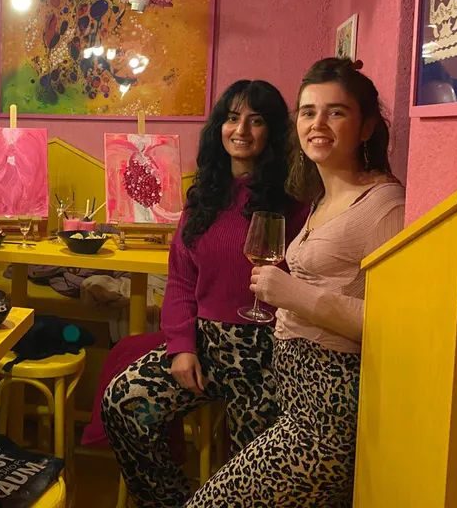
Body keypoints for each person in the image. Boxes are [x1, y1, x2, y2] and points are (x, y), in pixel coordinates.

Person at [187, 58, 406, 507]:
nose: (317, 124)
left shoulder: (385, 205)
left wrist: (291, 294)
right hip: (297, 398)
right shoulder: (323, 197)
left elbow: (395, 325)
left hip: (327, 414)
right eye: (308, 112)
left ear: (366, 127)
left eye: (336, 112)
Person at [100, 80, 306, 507]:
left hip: (266, 353)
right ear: (219, 127)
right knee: (123, 404)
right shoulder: (203, 197)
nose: (242, 129)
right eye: (232, 118)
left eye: (257, 120)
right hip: (205, 347)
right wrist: (180, 347)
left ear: (274, 131)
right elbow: (179, 280)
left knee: (256, 471)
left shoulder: (294, 201)